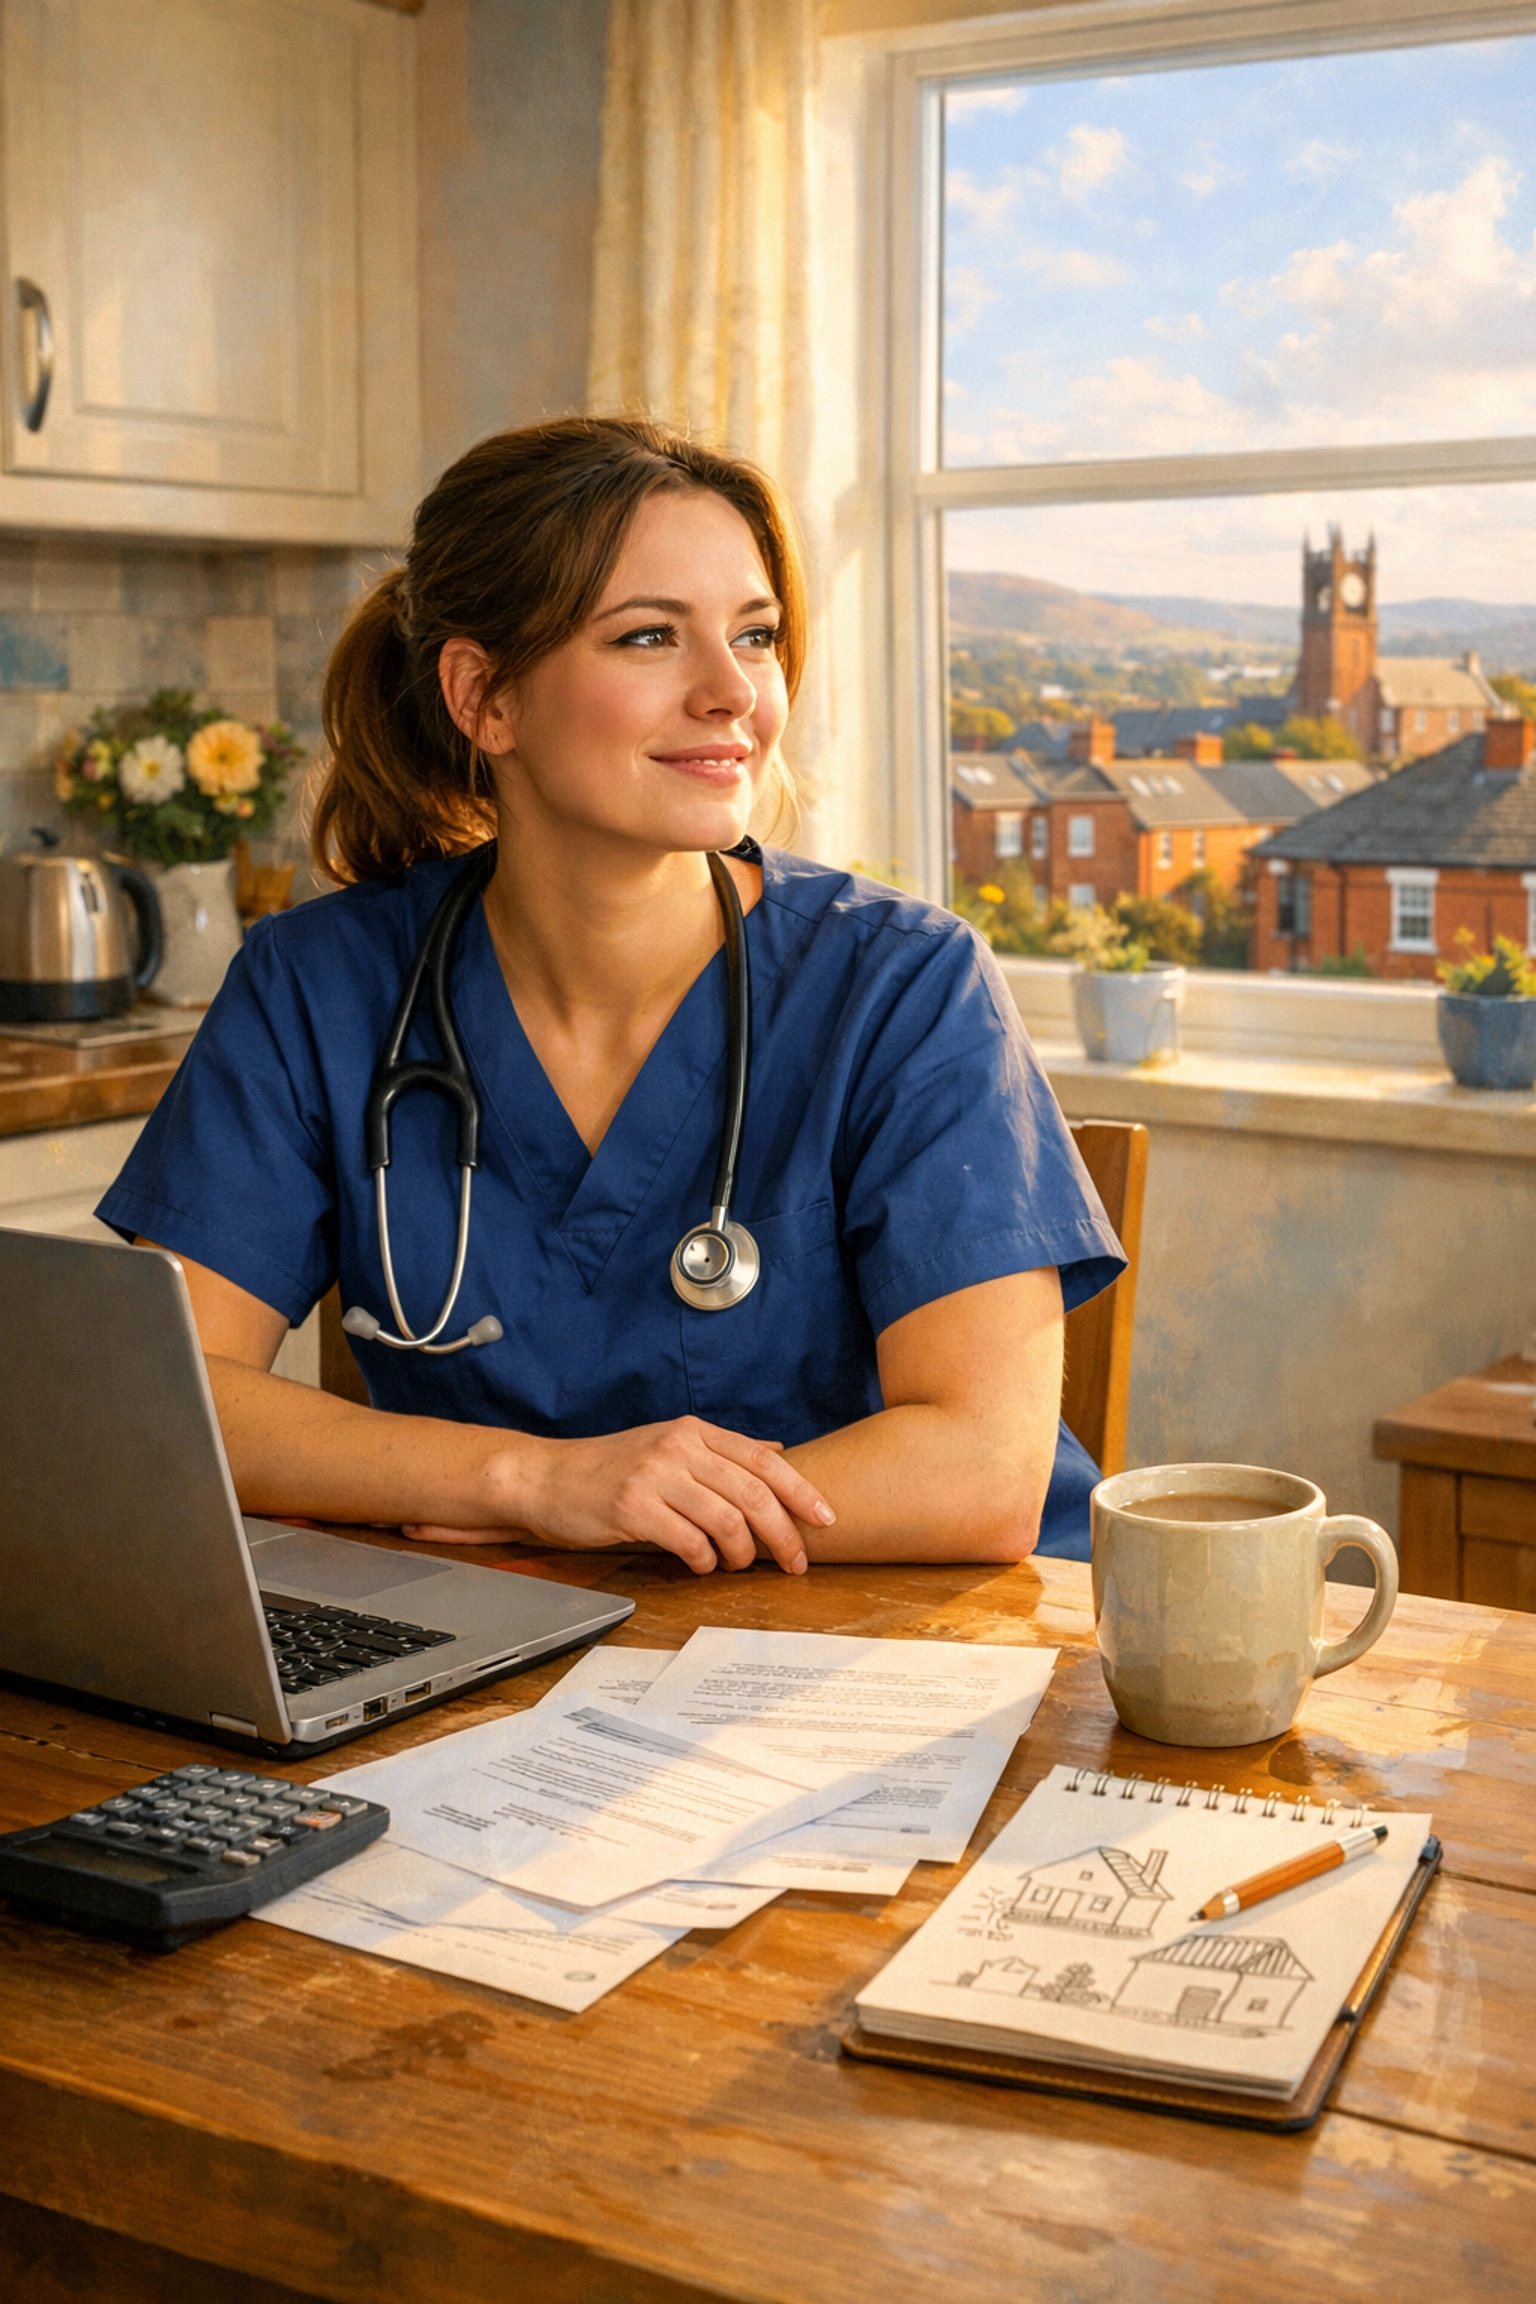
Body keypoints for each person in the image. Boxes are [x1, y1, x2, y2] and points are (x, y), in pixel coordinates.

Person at [99, 417, 1124, 1577]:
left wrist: (616, 1516)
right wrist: (533, 1484)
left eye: (756, 635)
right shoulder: (316, 987)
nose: (733, 692)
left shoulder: (902, 987)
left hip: (891, 1660)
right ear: (484, 697)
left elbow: (982, 1475)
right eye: (650, 637)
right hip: (507, 1647)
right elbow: (170, 1400)